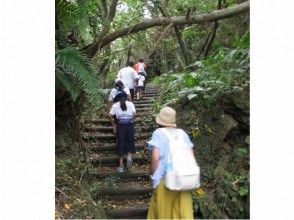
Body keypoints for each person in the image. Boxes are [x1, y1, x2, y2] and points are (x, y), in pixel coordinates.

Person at [147, 106, 194, 219]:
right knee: (182, 213)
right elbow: (191, 157)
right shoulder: (183, 134)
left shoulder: (158, 133)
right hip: (183, 180)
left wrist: (153, 175)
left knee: (163, 214)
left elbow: (155, 158)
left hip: (165, 180)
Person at [108, 94, 136, 173]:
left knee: (121, 143)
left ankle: (121, 166)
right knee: (129, 140)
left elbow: (109, 115)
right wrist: (132, 120)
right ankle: (129, 156)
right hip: (130, 125)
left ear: (117, 99)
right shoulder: (131, 104)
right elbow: (134, 114)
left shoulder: (115, 105)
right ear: (126, 98)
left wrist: (114, 124)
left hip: (120, 126)